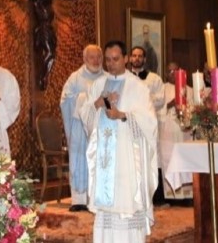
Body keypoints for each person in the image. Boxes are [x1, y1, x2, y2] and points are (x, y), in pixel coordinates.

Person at [80, 40, 158, 242]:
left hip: (127, 161)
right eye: (107, 60)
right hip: (105, 159)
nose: (111, 63)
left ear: (125, 59)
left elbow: (150, 122)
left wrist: (122, 115)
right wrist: (98, 103)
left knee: (126, 205)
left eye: (115, 59)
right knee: (107, 212)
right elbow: (85, 115)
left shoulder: (138, 87)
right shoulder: (98, 84)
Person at [59, 44, 104, 212]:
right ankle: (78, 199)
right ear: (85, 59)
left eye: (98, 57)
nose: (96, 60)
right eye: (92, 57)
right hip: (79, 127)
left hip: (99, 127)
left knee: (99, 160)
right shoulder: (75, 78)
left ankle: (97, 198)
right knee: (80, 160)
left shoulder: (106, 78)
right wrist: (85, 100)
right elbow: (65, 100)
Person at [8, 0, 67, 90]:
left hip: (49, 29)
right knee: (50, 53)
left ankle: (44, 76)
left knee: (52, 55)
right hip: (43, 29)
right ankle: (42, 76)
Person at [128, 46, 166, 204]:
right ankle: (133, 196)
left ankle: (155, 197)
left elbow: (160, 100)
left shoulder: (154, 79)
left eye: (140, 56)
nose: (136, 58)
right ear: (129, 58)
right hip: (130, 124)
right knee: (132, 158)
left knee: (151, 158)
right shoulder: (124, 78)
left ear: (144, 59)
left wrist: (143, 98)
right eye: (134, 55)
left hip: (149, 124)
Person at [160, 62, 193, 203]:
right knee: (169, 160)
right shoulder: (161, 89)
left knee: (186, 160)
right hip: (167, 131)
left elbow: (194, 109)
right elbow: (155, 109)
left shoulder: (189, 89)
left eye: (176, 70)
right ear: (166, 73)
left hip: (183, 131)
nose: (173, 74)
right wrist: (170, 104)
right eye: (170, 71)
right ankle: (171, 195)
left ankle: (188, 195)